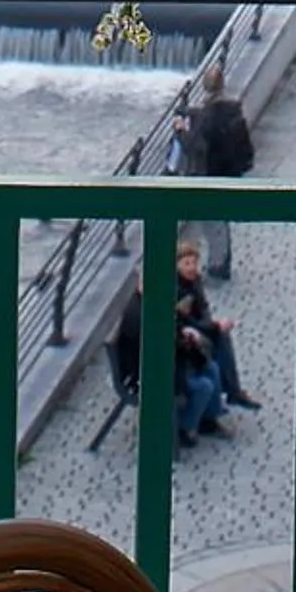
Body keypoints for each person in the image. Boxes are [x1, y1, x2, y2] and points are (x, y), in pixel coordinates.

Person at [114, 275, 227, 451]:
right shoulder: (142, 314)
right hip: (149, 373)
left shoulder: (146, 303)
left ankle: (207, 419)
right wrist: (186, 341)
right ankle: (183, 427)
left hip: (159, 363)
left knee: (210, 367)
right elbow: (161, 346)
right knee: (203, 385)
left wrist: (184, 334)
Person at [182, 59, 254, 277]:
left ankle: (218, 265)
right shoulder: (232, 110)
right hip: (230, 171)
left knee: (211, 220)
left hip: (210, 172)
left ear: (204, 87)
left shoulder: (208, 117)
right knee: (220, 218)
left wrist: (181, 131)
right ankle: (222, 260)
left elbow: (195, 145)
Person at [174, 238, 260, 413]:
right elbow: (185, 320)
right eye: (186, 263)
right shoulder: (178, 290)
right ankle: (230, 393)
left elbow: (202, 308)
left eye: (194, 262)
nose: (191, 267)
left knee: (222, 337)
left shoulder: (195, 281)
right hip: (184, 334)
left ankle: (232, 391)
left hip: (195, 327)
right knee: (217, 341)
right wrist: (213, 326)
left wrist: (213, 325)